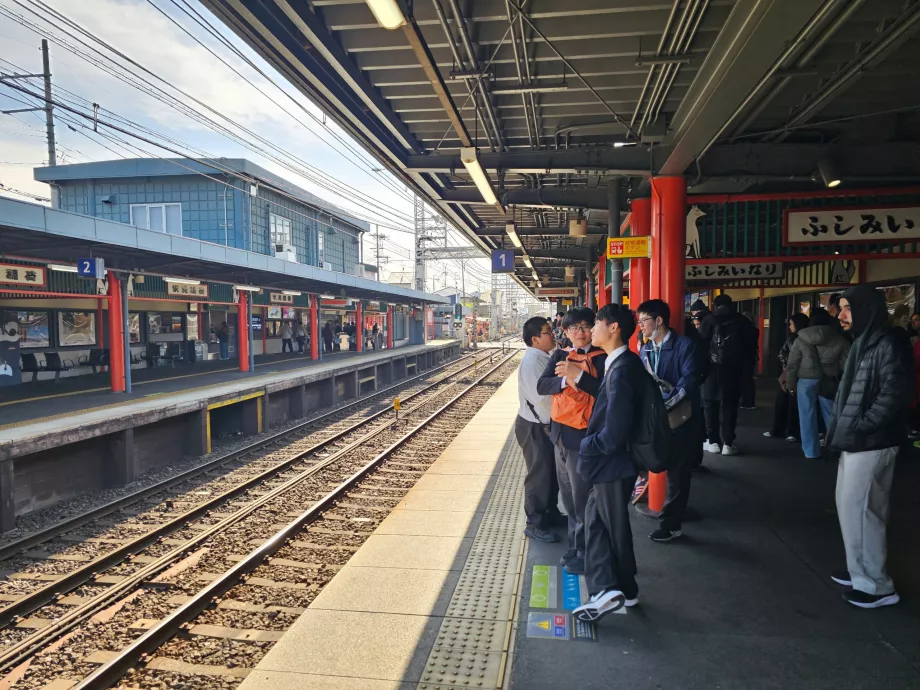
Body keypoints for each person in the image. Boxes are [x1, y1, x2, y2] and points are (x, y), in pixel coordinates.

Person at [826, 285, 913, 608]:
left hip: (871, 440)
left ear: (867, 310)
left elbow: (895, 394)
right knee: (851, 507)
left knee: (863, 510)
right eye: (842, 307)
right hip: (856, 438)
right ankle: (859, 568)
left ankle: (876, 585)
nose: (842, 315)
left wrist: (862, 424)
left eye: (848, 308)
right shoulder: (866, 341)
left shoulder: (889, 343)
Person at [572, 303, 641, 621]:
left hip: (614, 463)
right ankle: (613, 588)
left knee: (610, 525)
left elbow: (614, 431)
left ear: (613, 328)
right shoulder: (620, 363)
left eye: (596, 324)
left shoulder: (623, 368)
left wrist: (588, 445)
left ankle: (620, 589)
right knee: (597, 521)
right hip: (610, 463)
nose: (590, 330)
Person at [537, 307, 607, 575]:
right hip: (561, 434)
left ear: (594, 328)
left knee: (582, 498)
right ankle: (576, 546)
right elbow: (543, 385)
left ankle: (587, 550)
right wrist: (566, 382)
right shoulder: (560, 355)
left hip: (585, 437)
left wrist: (578, 376)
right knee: (568, 496)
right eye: (573, 328)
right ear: (565, 332)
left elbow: (605, 393)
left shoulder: (603, 358)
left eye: (585, 326)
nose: (579, 332)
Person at [636, 299, 701, 542]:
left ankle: (671, 524)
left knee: (678, 473)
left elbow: (689, 381)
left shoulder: (685, 346)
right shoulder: (646, 349)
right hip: (657, 419)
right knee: (655, 462)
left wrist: (665, 405)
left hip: (680, 419)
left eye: (644, 321)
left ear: (659, 321)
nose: (640, 326)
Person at [785, 309, 850, 460]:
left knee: (806, 415)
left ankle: (811, 451)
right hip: (828, 380)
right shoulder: (839, 339)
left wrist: (790, 383)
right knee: (832, 415)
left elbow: (792, 364)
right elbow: (846, 364)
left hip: (806, 380)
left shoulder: (801, 338)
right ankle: (837, 448)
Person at [515, 317, 558, 543]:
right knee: (539, 474)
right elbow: (543, 397)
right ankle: (534, 522)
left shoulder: (543, 357)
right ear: (535, 339)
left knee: (550, 472)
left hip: (542, 425)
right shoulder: (533, 362)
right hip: (533, 426)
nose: (552, 335)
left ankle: (551, 514)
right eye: (548, 332)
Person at [698, 294, 756, 455]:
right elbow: (749, 348)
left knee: (710, 405)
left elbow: (700, 345)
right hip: (734, 370)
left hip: (711, 369)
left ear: (715, 306)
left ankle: (713, 441)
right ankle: (728, 443)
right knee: (730, 406)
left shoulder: (709, 320)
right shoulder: (742, 321)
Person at [765, 313, 809, 442]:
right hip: (802, 374)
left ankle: (781, 430)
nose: (789, 327)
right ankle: (791, 432)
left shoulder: (794, 339)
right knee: (793, 404)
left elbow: (782, 354)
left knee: (786, 402)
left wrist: (787, 363)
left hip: (792, 373)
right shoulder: (803, 339)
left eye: (791, 324)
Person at [740, 311, 759, 409]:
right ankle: (750, 401)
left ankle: (746, 401)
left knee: (745, 381)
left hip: (743, 357)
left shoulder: (741, 330)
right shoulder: (755, 330)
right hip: (751, 357)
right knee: (749, 380)